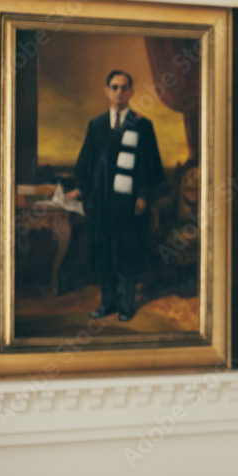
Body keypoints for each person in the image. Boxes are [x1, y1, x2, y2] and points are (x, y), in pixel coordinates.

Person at [65, 70, 165, 321]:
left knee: (126, 254)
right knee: (105, 255)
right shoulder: (96, 125)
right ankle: (107, 303)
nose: (119, 92)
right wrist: (80, 190)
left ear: (131, 92)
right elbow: (87, 165)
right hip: (102, 203)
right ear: (106, 91)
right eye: (114, 87)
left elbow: (149, 168)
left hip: (129, 205)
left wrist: (142, 196)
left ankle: (127, 306)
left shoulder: (142, 125)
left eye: (124, 88)